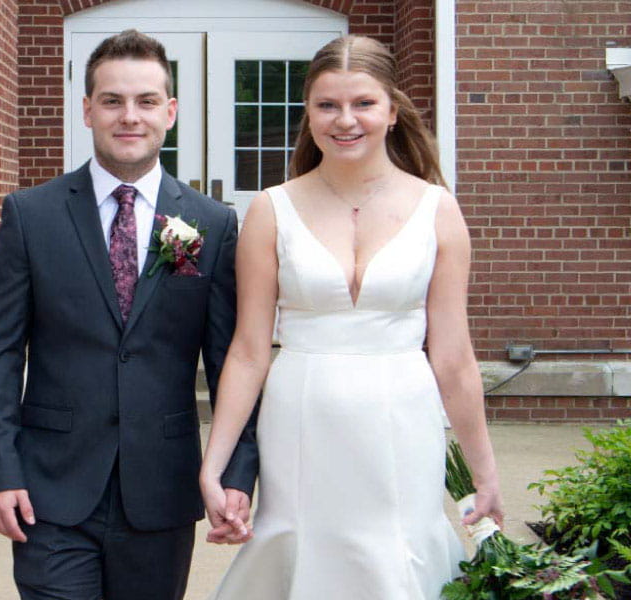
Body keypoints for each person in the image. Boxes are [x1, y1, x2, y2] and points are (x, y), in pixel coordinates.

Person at [199, 34, 504, 598]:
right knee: (302, 547)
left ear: (392, 110)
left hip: (403, 413)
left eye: (362, 103)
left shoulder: (438, 209)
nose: (345, 120)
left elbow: (455, 356)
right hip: (301, 415)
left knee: (398, 550)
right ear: (308, 113)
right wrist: (213, 466)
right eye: (327, 105)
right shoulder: (271, 209)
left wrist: (484, 474)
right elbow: (247, 350)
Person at [0, 29, 257, 600]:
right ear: (87, 110)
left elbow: (233, 363)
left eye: (147, 101)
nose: (130, 116)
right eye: (112, 100)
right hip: (49, 492)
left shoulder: (206, 224)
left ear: (170, 111)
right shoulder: (31, 216)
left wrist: (236, 473)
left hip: (160, 490)